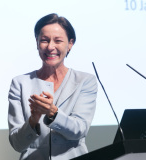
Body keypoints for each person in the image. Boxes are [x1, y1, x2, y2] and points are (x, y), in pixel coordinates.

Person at [8, 13, 98, 160]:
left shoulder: (85, 81)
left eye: (58, 41)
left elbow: (79, 130)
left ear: (70, 44)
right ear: (37, 42)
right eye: (44, 40)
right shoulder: (20, 83)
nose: (50, 47)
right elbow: (17, 144)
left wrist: (53, 113)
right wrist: (33, 119)